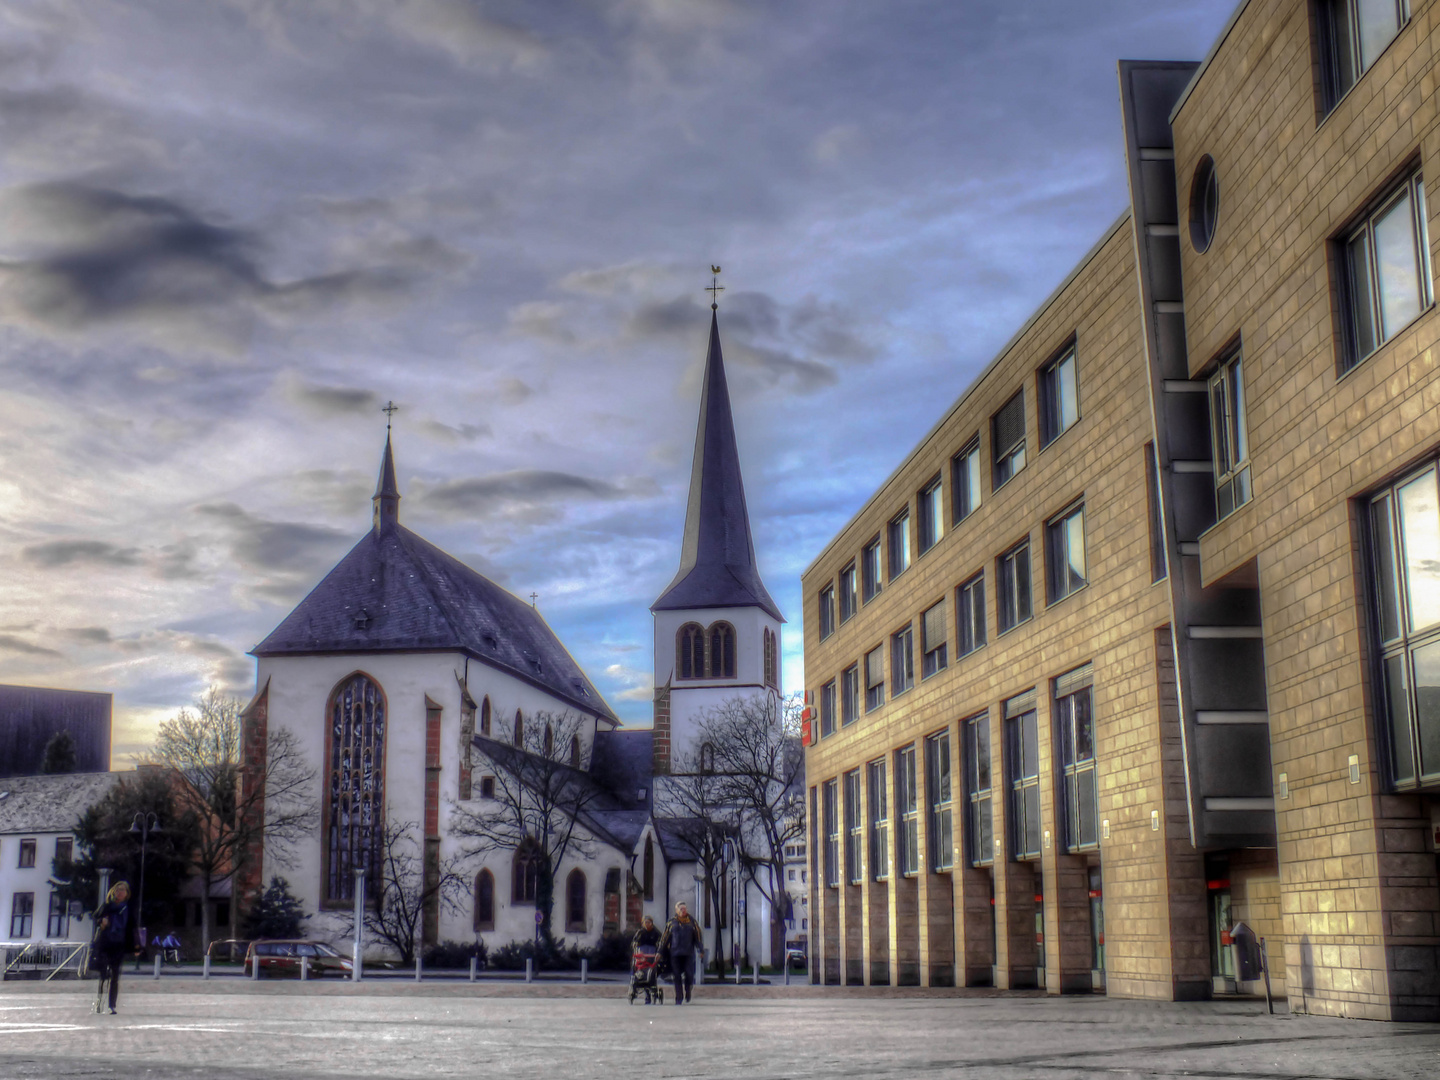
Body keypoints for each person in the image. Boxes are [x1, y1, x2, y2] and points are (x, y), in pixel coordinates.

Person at [91, 882, 139, 1015]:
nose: (120, 892)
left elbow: (132, 927)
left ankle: (112, 1005)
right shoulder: (107, 906)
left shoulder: (128, 908)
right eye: (118, 890)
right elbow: (96, 917)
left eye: (123, 890)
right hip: (105, 944)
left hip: (119, 945)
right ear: (114, 892)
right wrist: (102, 922)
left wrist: (137, 945)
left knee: (115, 976)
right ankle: (99, 1003)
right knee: (103, 976)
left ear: (126, 893)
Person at [659, 901, 701, 1005]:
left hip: (688, 953)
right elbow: (664, 938)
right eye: (681, 909)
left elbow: (698, 936)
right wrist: (660, 951)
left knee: (689, 974)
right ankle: (679, 997)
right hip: (675, 953)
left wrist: (700, 949)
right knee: (676, 975)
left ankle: (688, 990)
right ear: (677, 910)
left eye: (684, 909)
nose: (683, 911)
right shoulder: (671, 923)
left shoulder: (692, 922)